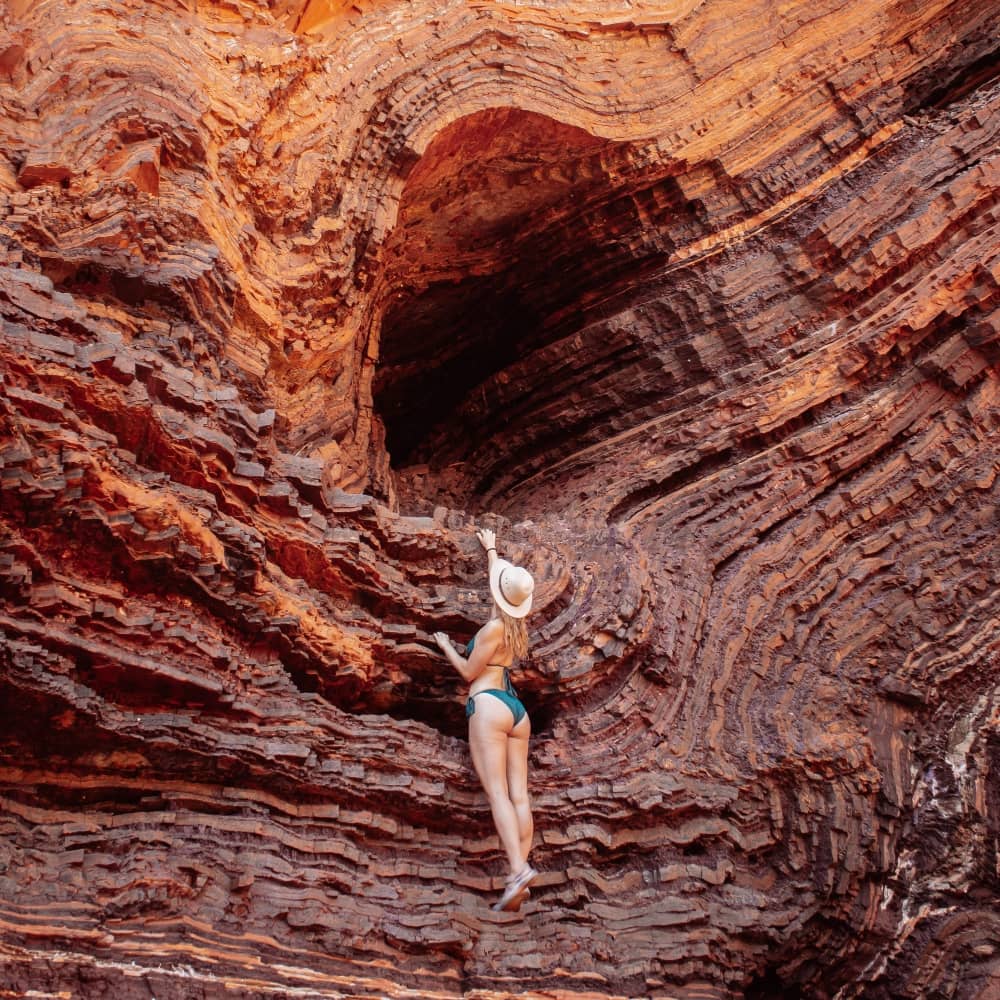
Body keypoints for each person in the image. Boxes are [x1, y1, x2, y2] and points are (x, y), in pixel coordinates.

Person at [433, 527, 538, 911]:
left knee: (497, 794)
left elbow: (468, 672)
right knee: (519, 796)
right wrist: (492, 550)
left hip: (489, 704)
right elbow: (502, 588)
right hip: (516, 711)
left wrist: (446, 646)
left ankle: (517, 871)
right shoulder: (514, 627)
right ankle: (520, 873)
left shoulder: (493, 627)